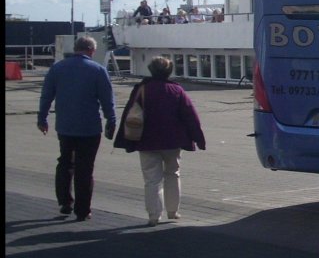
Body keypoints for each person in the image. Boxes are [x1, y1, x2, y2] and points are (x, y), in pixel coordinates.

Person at [113, 56, 206, 226]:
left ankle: (154, 215)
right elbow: (190, 116)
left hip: (146, 140)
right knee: (173, 174)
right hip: (172, 141)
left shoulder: (142, 89)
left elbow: (129, 113)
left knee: (151, 179)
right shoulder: (176, 90)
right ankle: (173, 211)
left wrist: (123, 139)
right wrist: (199, 138)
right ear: (169, 71)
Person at [36, 35, 117, 221]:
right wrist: (111, 120)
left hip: (65, 126)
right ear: (91, 50)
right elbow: (107, 100)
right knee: (85, 168)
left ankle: (65, 202)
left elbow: (46, 95)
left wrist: (42, 118)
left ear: (76, 48)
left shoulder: (57, 68)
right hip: (89, 127)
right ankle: (83, 210)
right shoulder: (98, 70)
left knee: (65, 162)